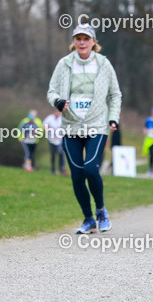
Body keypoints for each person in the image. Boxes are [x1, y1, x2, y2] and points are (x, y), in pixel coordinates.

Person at [47, 23, 122, 234]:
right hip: (71, 126)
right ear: (74, 42)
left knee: (90, 169)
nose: (82, 42)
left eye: (86, 39)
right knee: (77, 175)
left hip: (97, 125)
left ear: (93, 42)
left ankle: (101, 211)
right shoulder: (64, 64)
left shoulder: (104, 64)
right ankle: (88, 218)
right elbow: (52, 91)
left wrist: (113, 118)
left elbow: (115, 94)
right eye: (78, 38)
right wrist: (58, 102)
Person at [43, 108, 66, 174]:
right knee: (53, 154)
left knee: (61, 153)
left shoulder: (62, 118)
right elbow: (44, 125)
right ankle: (52, 169)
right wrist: (48, 129)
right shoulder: (50, 118)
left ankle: (61, 169)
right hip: (51, 139)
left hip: (60, 139)